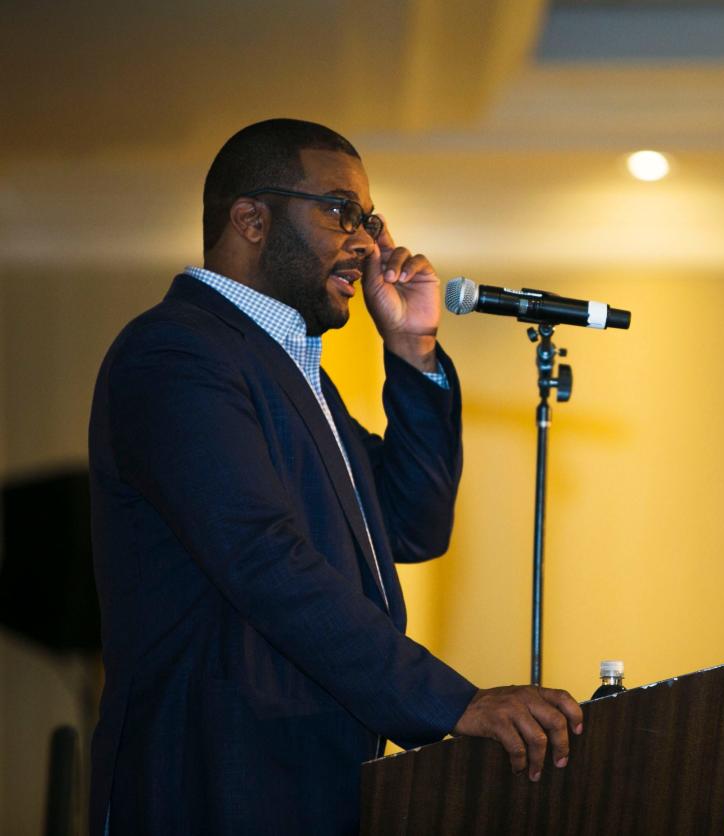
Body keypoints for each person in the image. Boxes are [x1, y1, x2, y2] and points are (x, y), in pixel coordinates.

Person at [87, 118, 583, 835]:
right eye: (340, 211)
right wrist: (452, 702)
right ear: (251, 220)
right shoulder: (175, 352)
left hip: (310, 776)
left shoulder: (290, 371)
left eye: (371, 219)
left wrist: (413, 350)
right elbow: (262, 558)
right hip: (211, 781)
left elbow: (412, 524)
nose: (369, 243)